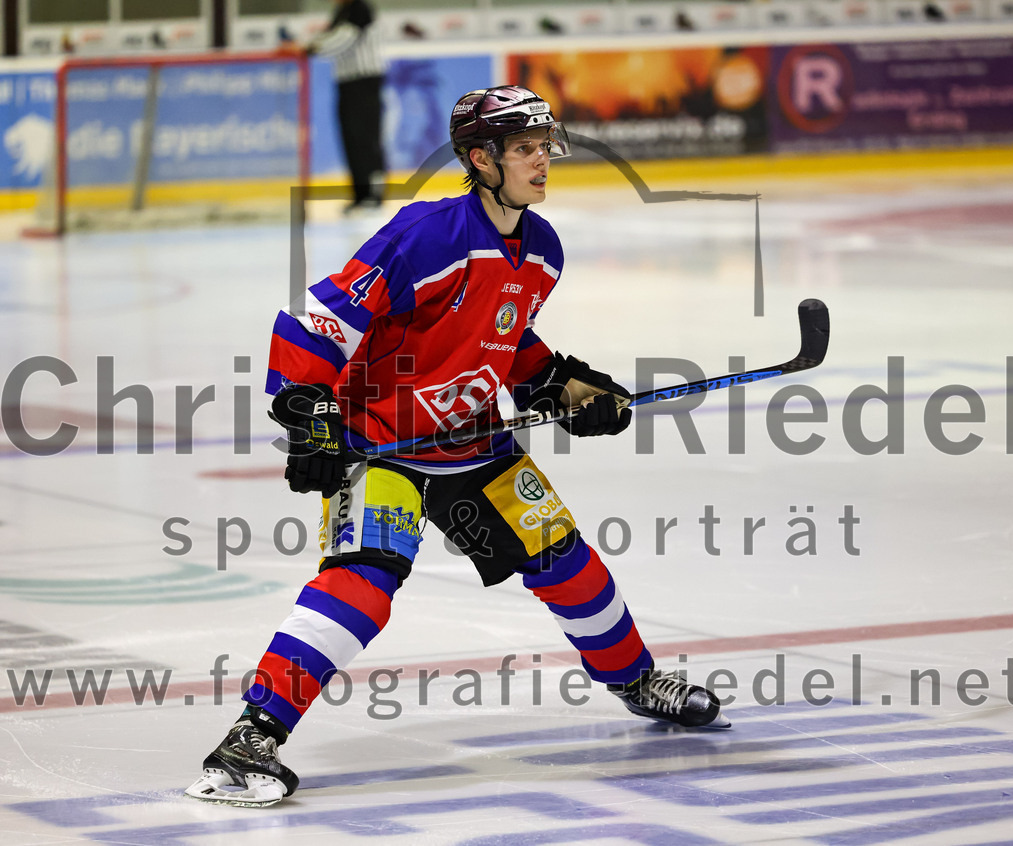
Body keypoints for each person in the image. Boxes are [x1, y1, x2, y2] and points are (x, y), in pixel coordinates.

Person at [185, 85, 728, 808]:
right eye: (526, 149)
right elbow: (325, 321)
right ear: (482, 158)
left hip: (476, 445)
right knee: (362, 581)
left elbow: (505, 341)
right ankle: (251, 737)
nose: (543, 161)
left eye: (546, 147)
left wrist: (566, 390)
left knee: (568, 565)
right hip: (381, 446)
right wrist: (307, 411)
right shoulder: (425, 234)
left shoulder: (543, 250)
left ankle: (635, 682)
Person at [309, 0, 387, 212]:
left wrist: (310, 48)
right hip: (347, 83)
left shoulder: (359, 9)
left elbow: (343, 39)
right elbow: (331, 36)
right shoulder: (342, 11)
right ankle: (361, 193)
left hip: (364, 81)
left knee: (366, 138)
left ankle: (375, 193)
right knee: (351, 138)